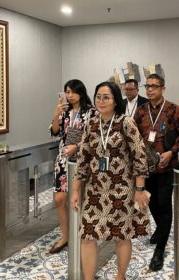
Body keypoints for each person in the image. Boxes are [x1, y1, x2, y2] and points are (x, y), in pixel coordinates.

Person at [70, 81, 150, 280]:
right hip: (95, 190)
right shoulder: (91, 123)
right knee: (88, 235)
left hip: (121, 190)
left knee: (120, 236)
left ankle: (120, 276)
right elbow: (83, 158)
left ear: (115, 100)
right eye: (98, 96)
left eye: (106, 97)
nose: (101, 101)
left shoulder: (125, 122)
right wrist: (75, 189)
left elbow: (140, 156)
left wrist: (139, 189)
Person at [133, 74, 179, 271]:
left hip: (166, 165)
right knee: (152, 202)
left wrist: (171, 152)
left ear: (163, 88)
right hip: (147, 168)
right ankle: (161, 229)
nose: (149, 90)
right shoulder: (140, 111)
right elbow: (133, 137)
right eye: (147, 86)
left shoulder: (174, 109)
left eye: (154, 86)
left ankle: (160, 249)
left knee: (164, 203)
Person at [49, 79, 93, 254]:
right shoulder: (64, 112)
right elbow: (54, 133)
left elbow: (94, 136)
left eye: (73, 91)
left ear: (81, 92)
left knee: (82, 199)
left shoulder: (91, 112)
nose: (70, 95)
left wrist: (77, 146)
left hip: (83, 159)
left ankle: (84, 235)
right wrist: (56, 113)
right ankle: (65, 235)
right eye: (67, 91)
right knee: (59, 199)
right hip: (63, 159)